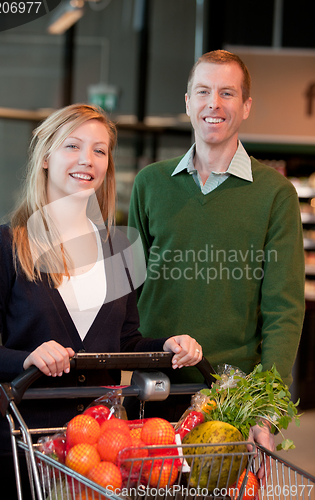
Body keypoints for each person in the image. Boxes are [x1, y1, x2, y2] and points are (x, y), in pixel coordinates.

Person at [0, 103, 202, 499]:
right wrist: (26, 358)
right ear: (46, 157)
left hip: (100, 452)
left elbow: (126, 343)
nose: (87, 160)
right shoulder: (6, 245)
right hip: (21, 446)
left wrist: (166, 347)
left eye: (99, 150)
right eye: (73, 146)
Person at [127, 51, 305, 453]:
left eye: (228, 93)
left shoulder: (275, 194)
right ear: (188, 102)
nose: (214, 104)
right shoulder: (150, 184)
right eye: (203, 91)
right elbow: (128, 289)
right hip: (153, 385)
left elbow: (284, 308)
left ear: (245, 107)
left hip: (230, 395)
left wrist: (268, 408)